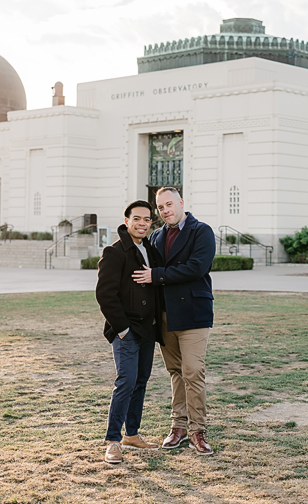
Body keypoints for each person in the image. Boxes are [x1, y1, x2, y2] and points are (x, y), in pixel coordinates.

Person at [132, 187, 216, 455]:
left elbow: (196, 267)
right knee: (176, 373)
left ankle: (198, 430)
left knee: (193, 371)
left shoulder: (201, 231)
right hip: (165, 316)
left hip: (193, 314)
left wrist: (156, 275)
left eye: (169, 204)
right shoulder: (157, 236)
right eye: (160, 207)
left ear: (181, 202)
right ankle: (178, 427)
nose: (165, 210)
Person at [95, 200, 164, 465]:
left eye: (147, 219)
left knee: (141, 381)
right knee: (126, 381)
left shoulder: (150, 249)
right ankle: (113, 441)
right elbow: (105, 294)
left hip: (148, 329)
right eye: (137, 219)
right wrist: (122, 328)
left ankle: (132, 434)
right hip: (127, 330)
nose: (142, 224)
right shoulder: (114, 252)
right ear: (127, 221)